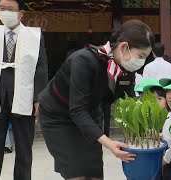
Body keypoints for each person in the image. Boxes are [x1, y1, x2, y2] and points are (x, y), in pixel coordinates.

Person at [38, 19, 155, 180]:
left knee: (93, 173)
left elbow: (128, 102)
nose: (141, 62)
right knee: (77, 173)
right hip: (58, 116)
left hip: (91, 113)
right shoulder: (84, 61)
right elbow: (78, 110)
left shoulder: (126, 69)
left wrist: (148, 129)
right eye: (141, 56)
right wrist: (108, 143)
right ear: (123, 47)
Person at [0, 0, 48, 179]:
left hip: (23, 99)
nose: (5, 12)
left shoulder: (33, 36)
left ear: (21, 13)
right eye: (2, 9)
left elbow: (41, 69)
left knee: (24, 150)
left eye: (10, 9)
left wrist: (38, 99)